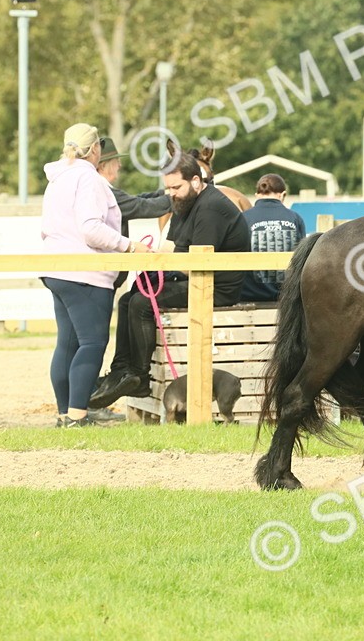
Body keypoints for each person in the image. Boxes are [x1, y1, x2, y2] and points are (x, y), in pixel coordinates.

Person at [89, 151, 251, 408]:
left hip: (214, 286)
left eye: (176, 187)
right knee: (129, 298)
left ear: (196, 182)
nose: (171, 193)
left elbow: (194, 263)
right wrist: (153, 263)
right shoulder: (183, 203)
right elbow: (173, 248)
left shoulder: (211, 207)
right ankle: (122, 370)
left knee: (142, 302)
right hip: (196, 276)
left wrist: (158, 258)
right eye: (168, 188)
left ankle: (140, 377)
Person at [40, 123, 151, 427]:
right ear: (95, 150)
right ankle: (78, 415)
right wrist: (129, 245)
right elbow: (91, 229)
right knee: (92, 342)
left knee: (68, 343)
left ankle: (65, 414)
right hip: (86, 272)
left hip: (55, 268)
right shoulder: (89, 179)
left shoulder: (57, 179)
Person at [95, 137, 172, 289]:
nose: (120, 165)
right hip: (100, 278)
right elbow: (140, 206)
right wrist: (181, 195)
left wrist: (164, 193)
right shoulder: (105, 192)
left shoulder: (104, 190)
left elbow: (135, 200)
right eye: (116, 161)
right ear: (103, 166)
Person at [239, 173, 307, 303]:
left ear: (256, 195)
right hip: (287, 297)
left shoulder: (243, 218)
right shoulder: (295, 218)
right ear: (283, 195)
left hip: (250, 296)